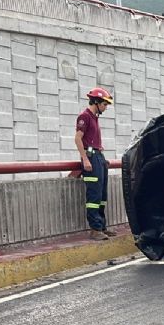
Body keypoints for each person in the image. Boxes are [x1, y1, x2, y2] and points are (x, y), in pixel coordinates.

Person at [75, 87, 116, 241]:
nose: (105, 107)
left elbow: (91, 139)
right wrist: (85, 159)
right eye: (104, 104)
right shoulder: (84, 117)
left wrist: (99, 150)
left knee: (102, 194)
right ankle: (94, 229)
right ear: (97, 102)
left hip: (98, 157)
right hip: (91, 158)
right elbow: (78, 139)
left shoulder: (95, 118)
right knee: (94, 194)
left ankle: (102, 226)